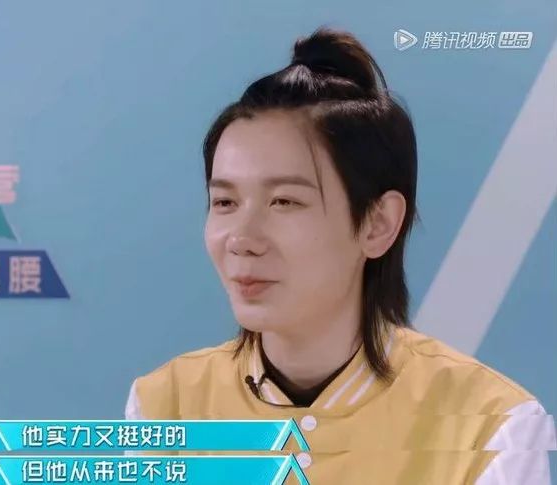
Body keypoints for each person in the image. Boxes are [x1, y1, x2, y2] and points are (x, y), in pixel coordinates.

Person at [124, 27, 554, 484]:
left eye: (284, 201)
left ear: (377, 224)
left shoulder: (494, 428)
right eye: (225, 202)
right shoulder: (165, 406)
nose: (241, 238)